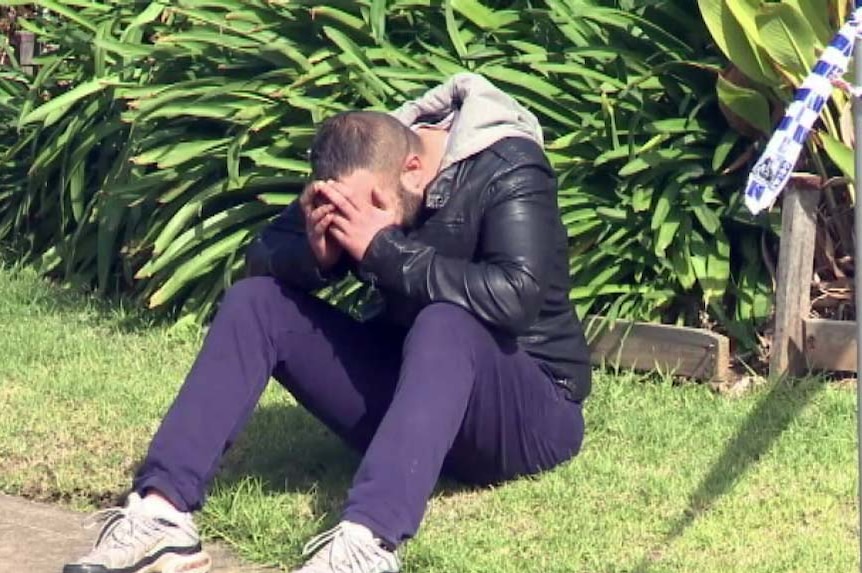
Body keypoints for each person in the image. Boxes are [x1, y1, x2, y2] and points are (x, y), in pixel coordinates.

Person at [63, 73, 591, 573]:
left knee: (444, 321)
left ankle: (367, 541)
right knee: (257, 301)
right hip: (417, 397)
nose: (365, 217)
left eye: (376, 207)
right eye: (351, 209)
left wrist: (383, 249)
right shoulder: (358, 163)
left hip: (530, 412)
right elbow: (262, 254)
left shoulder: (508, 164)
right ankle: (161, 513)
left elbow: (517, 296)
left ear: (412, 168)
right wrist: (315, 255)